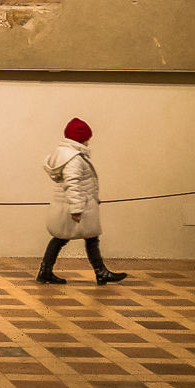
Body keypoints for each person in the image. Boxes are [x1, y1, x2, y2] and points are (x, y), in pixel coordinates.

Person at [36, 117, 126, 286]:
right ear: (80, 138)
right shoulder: (74, 159)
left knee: (69, 238)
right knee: (78, 239)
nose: (88, 142)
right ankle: (100, 272)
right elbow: (73, 183)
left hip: (68, 205)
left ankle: (47, 271)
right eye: (87, 138)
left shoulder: (66, 155)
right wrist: (77, 209)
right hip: (75, 206)